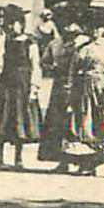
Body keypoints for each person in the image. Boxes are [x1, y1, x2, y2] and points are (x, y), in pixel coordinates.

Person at [0, 4, 42, 168]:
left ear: (22, 23)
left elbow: (35, 65)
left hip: (22, 84)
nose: (11, 27)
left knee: (20, 119)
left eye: (14, 23)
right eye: (9, 23)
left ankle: (18, 158)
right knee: (2, 117)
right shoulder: (7, 40)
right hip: (6, 83)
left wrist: (34, 88)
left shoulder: (30, 42)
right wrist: (1, 38)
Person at [64, 23, 104, 178]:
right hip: (83, 90)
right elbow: (72, 70)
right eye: (92, 28)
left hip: (102, 89)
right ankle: (87, 165)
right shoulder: (82, 48)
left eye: (98, 28)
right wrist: (70, 90)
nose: (94, 31)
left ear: (103, 30)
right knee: (85, 124)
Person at [39, 18, 80, 170]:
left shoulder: (82, 44)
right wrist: (52, 67)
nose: (68, 30)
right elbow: (43, 62)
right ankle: (62, 161)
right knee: (58, 124)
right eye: (65, 27)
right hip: (59, 87)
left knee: (76, 123)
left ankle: (83, 160)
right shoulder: (54, 44)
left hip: (77, 87)